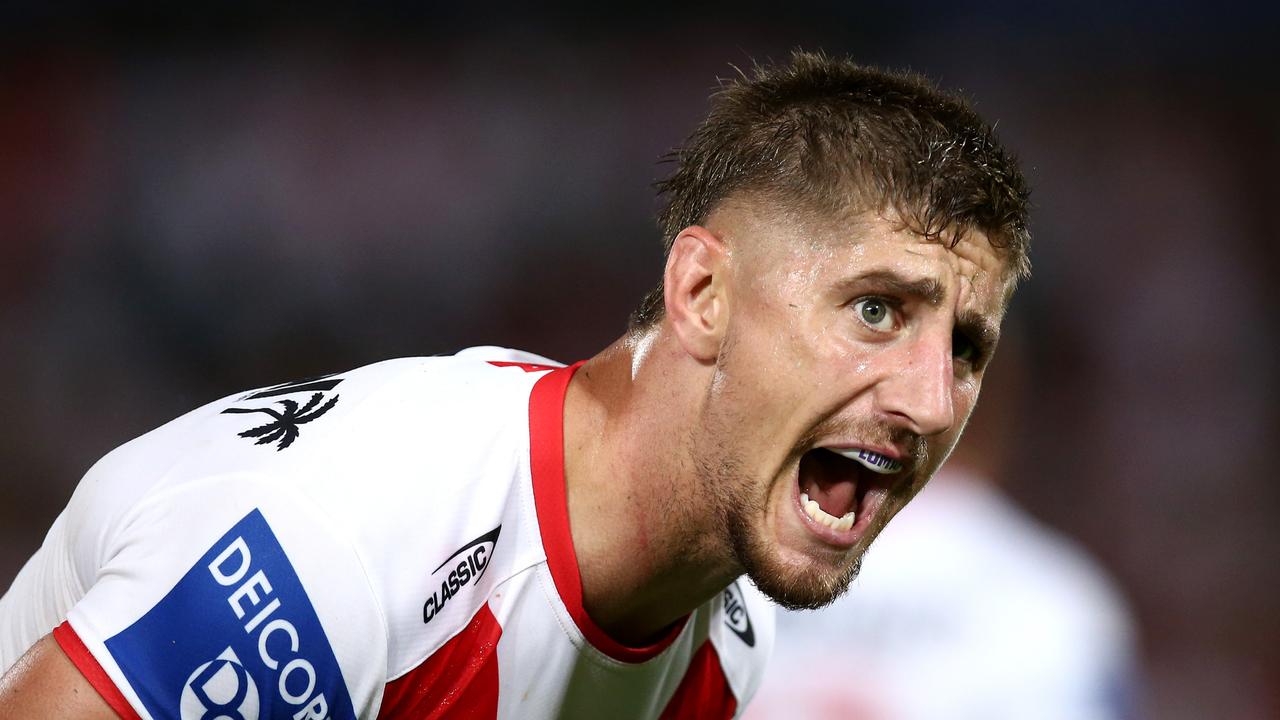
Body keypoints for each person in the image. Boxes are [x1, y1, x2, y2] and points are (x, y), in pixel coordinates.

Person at [0, 51, 1030, 719]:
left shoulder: (725, 636)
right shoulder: (347, 544)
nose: (931, 402)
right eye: (874, 311)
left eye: (966, 349)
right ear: (702, 292)